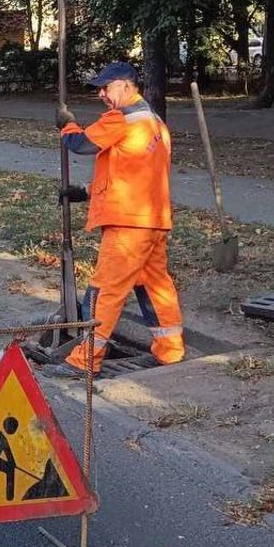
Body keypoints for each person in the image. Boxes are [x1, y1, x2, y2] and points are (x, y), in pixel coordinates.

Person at [49, 62, 185, 376]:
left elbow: (81, 144)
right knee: (156, 286)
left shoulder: (122, 118)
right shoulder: (156, 124)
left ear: (125, 86)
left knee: (104, 290)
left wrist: (67, 125)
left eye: (105, 87)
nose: (101, 94)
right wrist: (84, 191)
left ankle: (84, 361)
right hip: (153, 221)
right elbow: (132, 174)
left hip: (128, 225)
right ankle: (170, 350)